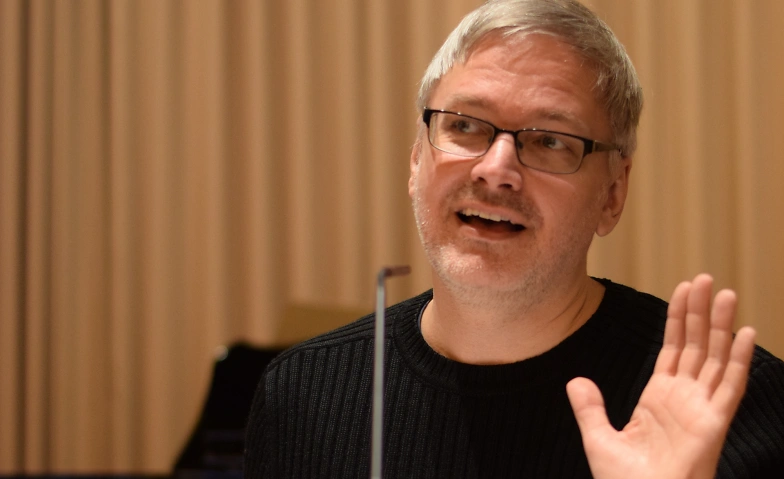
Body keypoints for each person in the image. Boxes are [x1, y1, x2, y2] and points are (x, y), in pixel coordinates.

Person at [244, 0, 784, 477]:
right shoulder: (302, 394)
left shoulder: (730, 409)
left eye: (550, 140)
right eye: (464, 125)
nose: (496, 169)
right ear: (415, 161)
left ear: (613, 193)